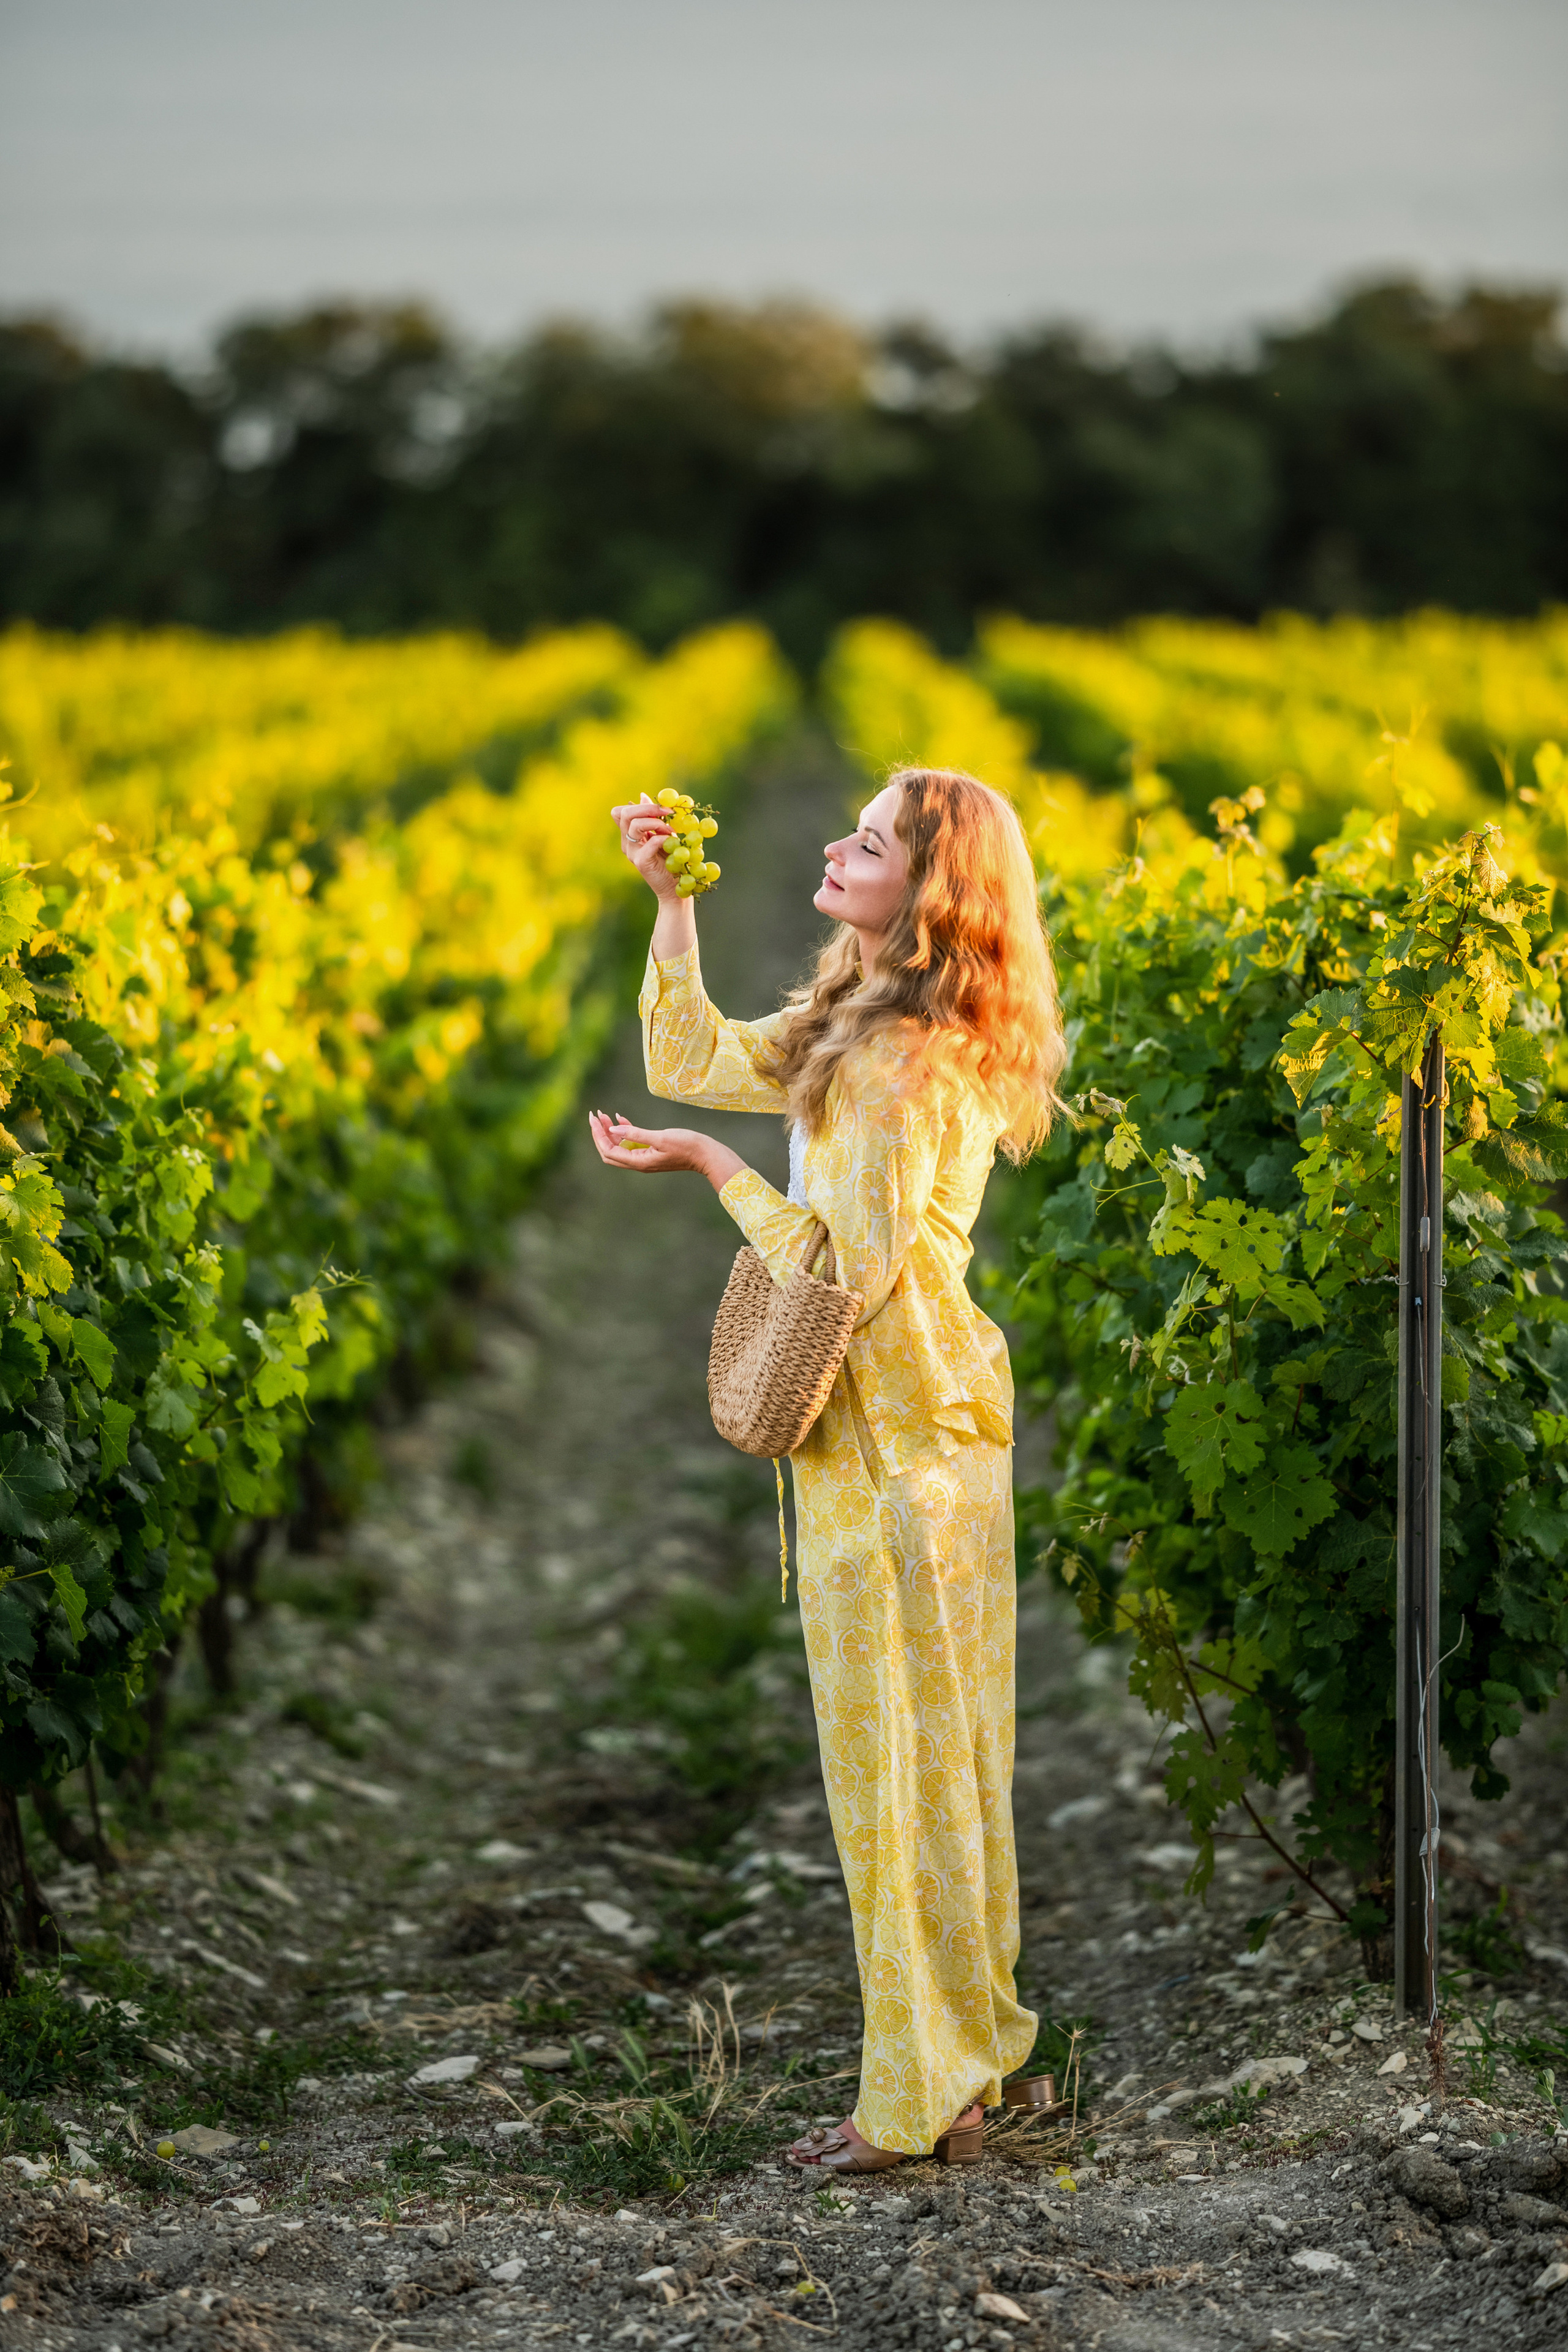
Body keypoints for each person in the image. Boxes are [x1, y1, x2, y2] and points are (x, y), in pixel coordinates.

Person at [591, 767, 1069, 2173]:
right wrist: (671, 906)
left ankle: (907, 2100)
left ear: (923, 891)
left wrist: (711, 1175)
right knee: (944, 1769)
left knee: (897, 1776)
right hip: (920, 1444)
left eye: (864, 842)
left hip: (896, 1459)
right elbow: (694, 1057)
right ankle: (964, 2060)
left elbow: (839, 1271)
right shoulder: (865, 1019)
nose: (830, 845)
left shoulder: (895, 1063)